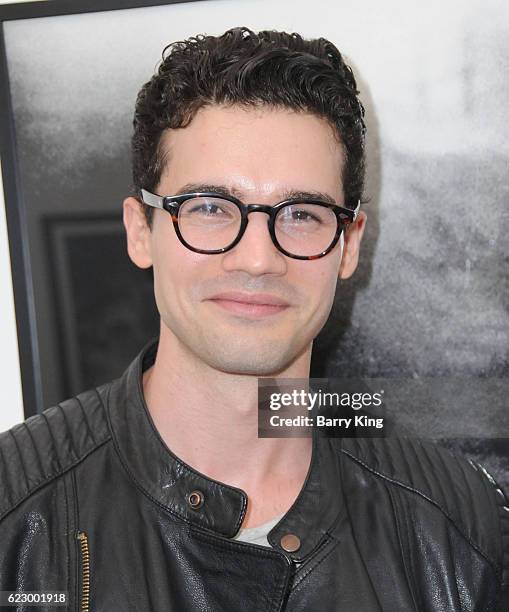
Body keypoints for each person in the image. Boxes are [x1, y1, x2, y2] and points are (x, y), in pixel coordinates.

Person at [0, 26, 507, 612]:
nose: (259, 259)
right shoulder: (15, 516)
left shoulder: (462, 532)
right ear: (142, 230)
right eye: (211, 208)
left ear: (348, 246)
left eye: (301, 214)